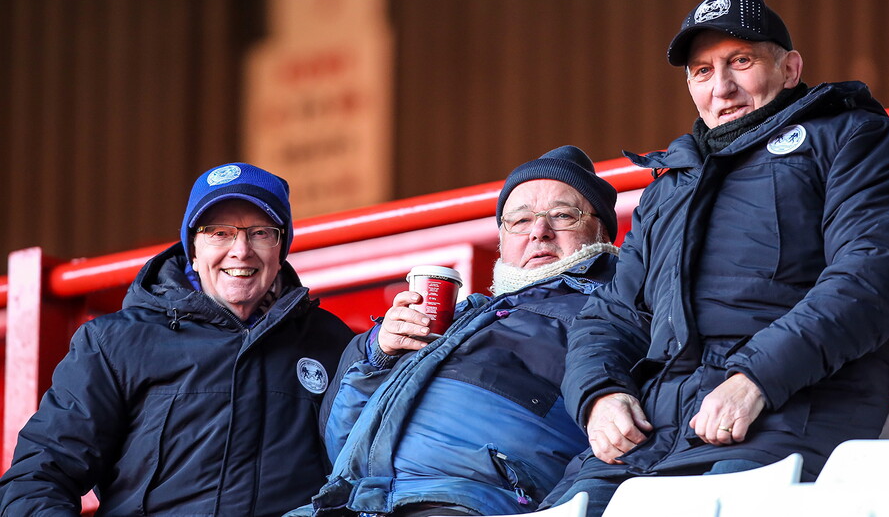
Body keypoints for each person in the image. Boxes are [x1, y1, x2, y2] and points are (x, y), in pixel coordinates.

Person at [543, 0, 889, 517]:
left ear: (791, 68)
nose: (722, 87)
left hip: (788, 411)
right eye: (702, 71)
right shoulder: (670, 185)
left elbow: (869, 280)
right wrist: (600, 394)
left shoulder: (857, 139)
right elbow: (613, 313)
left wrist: (756, 379)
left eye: (741, 62)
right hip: (651, 433)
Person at [0, 163, 354, 516]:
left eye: (261, 233)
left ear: (281, 249)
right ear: (193, 250)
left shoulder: (330, 342)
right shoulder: (114, 343)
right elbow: (37, 478)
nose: (241, 250)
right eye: (219, 233)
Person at [284, 146, 620, 517]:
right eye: (520, 221)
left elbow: (623, 446)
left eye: (562, 215)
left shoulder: (615, 314)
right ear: (503, 240)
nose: (539, 232)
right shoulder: (463, 314)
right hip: (351, 503)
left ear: (600, 229)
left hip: (466, 503)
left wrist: (554, 511)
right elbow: (339, 441)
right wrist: (376, 355)